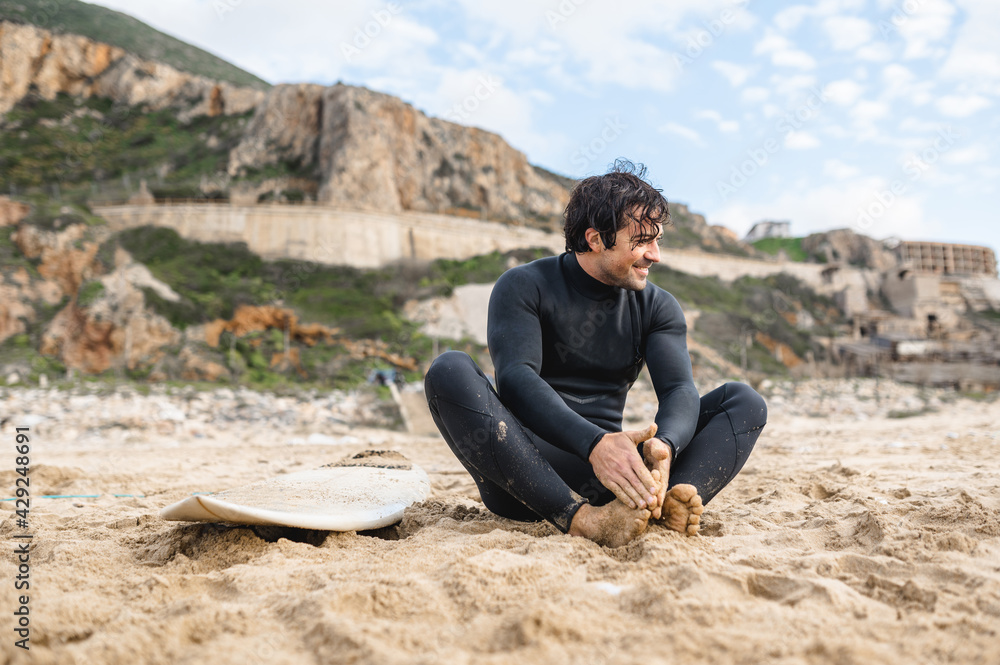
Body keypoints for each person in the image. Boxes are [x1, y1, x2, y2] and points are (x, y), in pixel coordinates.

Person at [424, 160, 767, 547]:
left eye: (657, 240)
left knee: (743, 400)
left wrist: (665, 444)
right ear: (595, 238)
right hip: (526, 477)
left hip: (619, 479)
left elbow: (678, 390)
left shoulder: (657, 306)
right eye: (641, 241)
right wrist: (595, 444)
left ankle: (672, 501)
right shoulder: (524, 286)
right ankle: (581, 519)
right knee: (448, 369)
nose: (654, 255)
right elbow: (517, 378)